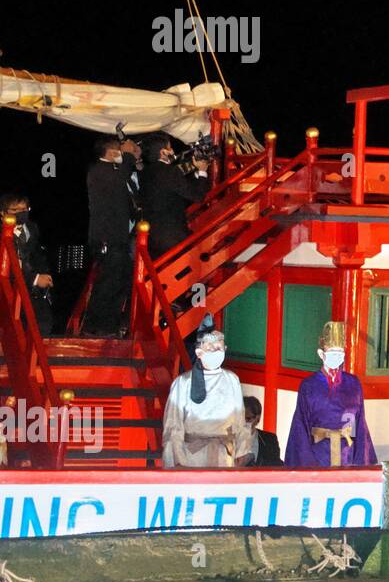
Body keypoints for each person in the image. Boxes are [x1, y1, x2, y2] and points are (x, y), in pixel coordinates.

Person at [284, 320, 376, 467]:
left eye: (340, 353)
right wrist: (308, 466)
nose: (337, 356)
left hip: (347, 455)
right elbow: (300, 426)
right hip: (318, 456)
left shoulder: (353, 384)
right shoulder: (309, 385)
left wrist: (361, 463)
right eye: (332, 352)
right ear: (321, 354)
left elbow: (360, 424)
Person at [160, 329, 252, 468]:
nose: (215, 351)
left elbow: (239, 420)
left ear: (225, 349)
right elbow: (173, 426)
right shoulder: (183, 382)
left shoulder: (232, 380)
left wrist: (242, 452)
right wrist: (178, 462)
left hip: (223, 456)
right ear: (199, 352)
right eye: (210, 347)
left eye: (219, 348)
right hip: (190, 458)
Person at [82, 134, 142, 336]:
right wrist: (129, 156)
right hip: (107, 238)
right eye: (119, 149)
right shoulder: (100, 171)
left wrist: (134, 160)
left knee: (118, 282)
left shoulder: (115, 172)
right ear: (110, 151)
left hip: (120, 237)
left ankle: (107, 326)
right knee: (108, 283)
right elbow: (122, 175)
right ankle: (97, 327)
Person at [139, 134, 210, 259]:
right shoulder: (170, 171)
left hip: (153, 237)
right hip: (173, 237)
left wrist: (195, 171)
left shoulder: (145, 173)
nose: (172, 151)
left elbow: (179, 188)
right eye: (170, 148)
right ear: (163, 152)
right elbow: (197, 196)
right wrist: (203, 171)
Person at [1, 192, 55, 337]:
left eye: (24, 210)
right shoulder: (3, 234)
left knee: (43, 325)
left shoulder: (32, 229)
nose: (21, 214)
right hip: (9, 291)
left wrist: (45, 275)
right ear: (3, 213)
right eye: (15, 210)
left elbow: (38, 256)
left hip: (32, 291)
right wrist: (36, 279)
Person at [243, 395, 283, 467]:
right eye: (240, 418)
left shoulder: (269, 439)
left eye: (248, 419)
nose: (243, 422)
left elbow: (276, 465)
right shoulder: (230, 438)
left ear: (258, 419)